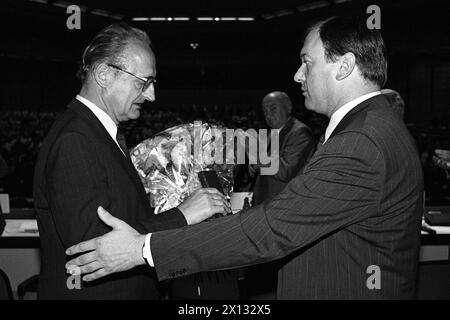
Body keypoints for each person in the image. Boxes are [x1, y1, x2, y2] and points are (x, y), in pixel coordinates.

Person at [66, 15, 424, 299]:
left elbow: (272, 229)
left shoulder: (362, 142)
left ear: (343, 66)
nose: (298, 75)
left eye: (306, 62)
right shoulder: (369, 129)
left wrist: (144, 248)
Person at [33, 22, 230, 300]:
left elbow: (121, 217)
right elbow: (93, 248)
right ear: (104, 74)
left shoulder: (97, 132)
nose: (151, 95)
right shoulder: (75, 140)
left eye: (152, 83)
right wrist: (183, 214)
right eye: (143, 82)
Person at [247, 91, 315, 299]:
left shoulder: (300, 133)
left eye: (273, 108)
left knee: (276, 276)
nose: (268, 114)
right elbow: (266, 169)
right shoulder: (273, 133)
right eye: (265, 110)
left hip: (284, 213)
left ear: (288, 108)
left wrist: (259, 159)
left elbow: (286, 170)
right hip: (266, 208)